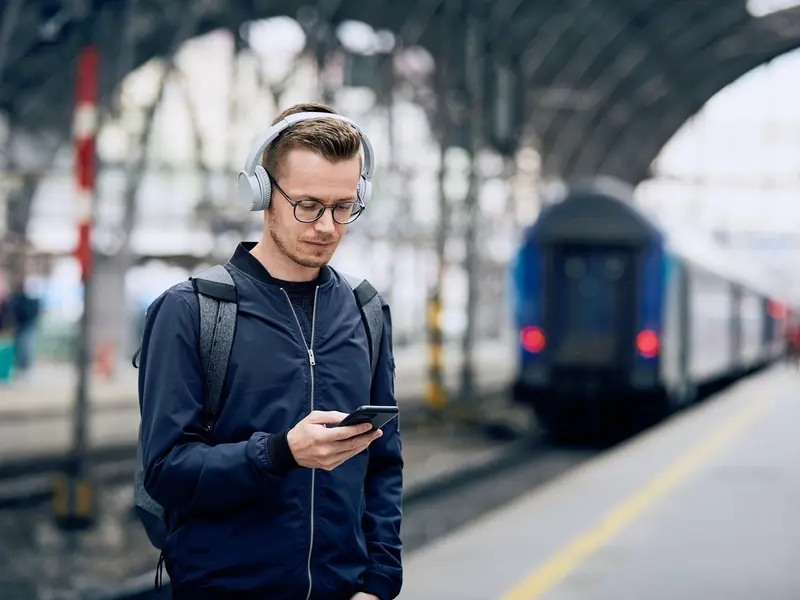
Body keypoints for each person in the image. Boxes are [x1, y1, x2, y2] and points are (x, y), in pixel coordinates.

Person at [137, 103, 403, 600]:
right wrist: (280, 453)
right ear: (261, 193)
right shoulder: (190, 311)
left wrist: (381, 583)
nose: (326, 225)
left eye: (343, 207)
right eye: (308, 205)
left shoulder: (367, 312)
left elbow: (384, 462)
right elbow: (165, 473)